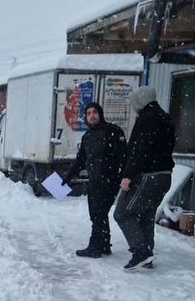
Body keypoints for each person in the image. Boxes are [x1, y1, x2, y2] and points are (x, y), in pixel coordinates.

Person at [113, 85, 176, 270]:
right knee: (146, 214)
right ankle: (147, 254)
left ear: (141, 99)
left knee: (122, 213)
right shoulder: (165, 117)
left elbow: (139, 151)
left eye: (134, 102)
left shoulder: (147, 119)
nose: (134, 106)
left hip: (149, 176)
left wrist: (127, 175)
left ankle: (141, 251)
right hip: (165, 176)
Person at [62, 101, 127, 257]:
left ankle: (95, 246)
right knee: (97, 214)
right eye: (89, 113)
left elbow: (124, 156)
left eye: (95, 112)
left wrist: (124, 176)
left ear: (100, 114)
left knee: (98, 214)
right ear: (86, 117)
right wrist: (69, 177)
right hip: (94, 181)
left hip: (109, 181)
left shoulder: (113, 131)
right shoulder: (87, 137)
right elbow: (80, 160)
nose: (92, 116)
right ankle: (104, 244)